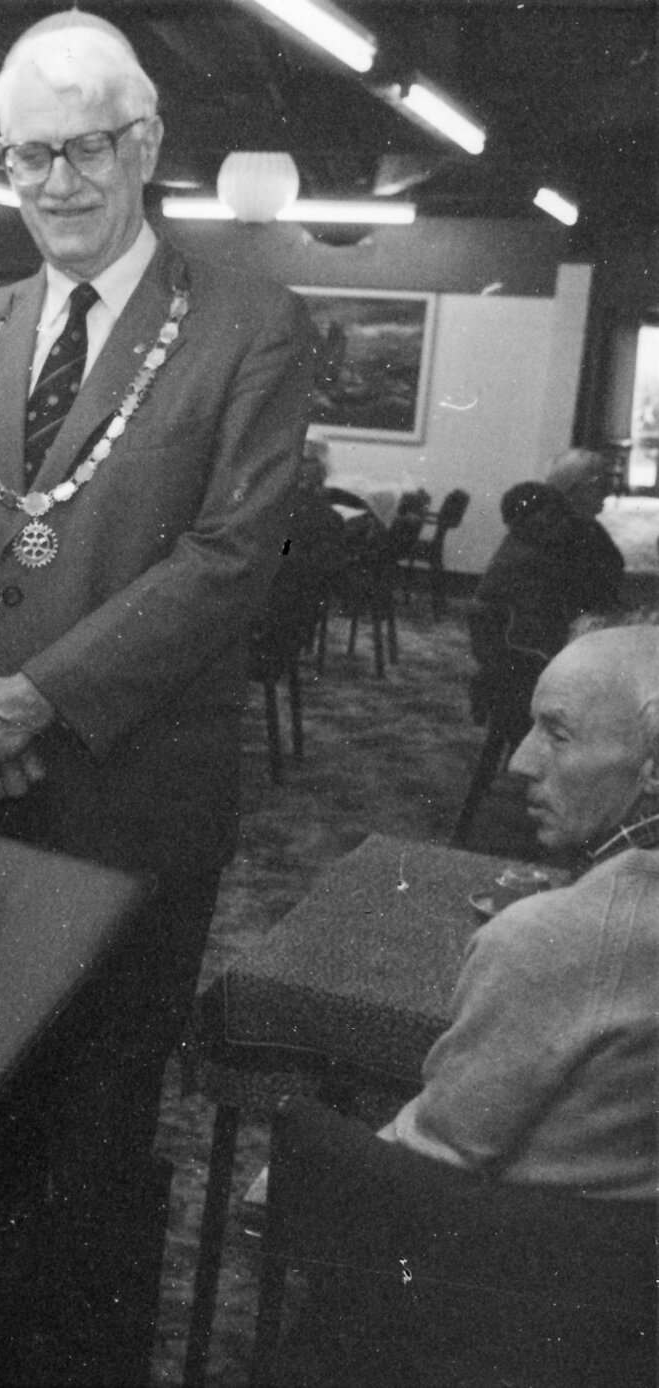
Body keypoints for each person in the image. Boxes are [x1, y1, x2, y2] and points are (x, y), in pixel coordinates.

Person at [0, 13, 313, 1377]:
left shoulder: (249, 326)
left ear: (143, 147)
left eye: (80, 152)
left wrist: (36, 701)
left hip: (128, 801)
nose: (52, 184)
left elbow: (231, 562)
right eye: (23, 156)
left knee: (92, 1136)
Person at [379, 623, 657, 1197]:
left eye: (557, 733)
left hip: (511, 1255)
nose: (521, 761)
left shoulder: (547, 939)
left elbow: (431, 1155)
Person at [469, 449, 627, 741]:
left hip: (515, 650)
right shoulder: (563, 531)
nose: (605, 501)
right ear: (575, 490)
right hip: (527, 658)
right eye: (601, 490)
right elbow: (597, 589)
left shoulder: (545, 522)